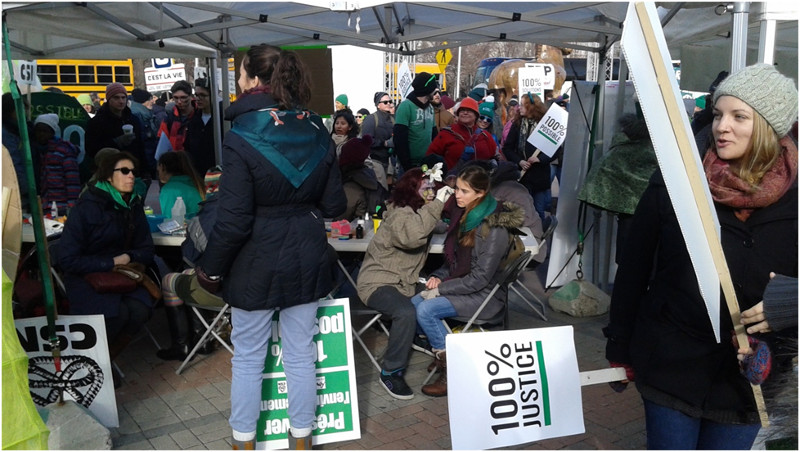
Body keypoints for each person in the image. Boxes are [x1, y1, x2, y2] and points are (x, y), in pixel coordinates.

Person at [604, 63, 798, 450]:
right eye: (719, 113)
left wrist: (794, 300)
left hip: (749, 381)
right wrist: (618, 348)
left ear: (772, 128)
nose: (721, 126)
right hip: (670, 363)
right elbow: (633, 267)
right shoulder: (676, 181)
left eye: (739, 116)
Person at [194, 44, 346, 450]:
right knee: (300, 355)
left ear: (254, 80)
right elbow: (335, 205)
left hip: (255, 258)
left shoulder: (241, 135)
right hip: (307, 251)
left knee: (247, 357)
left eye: (240, 74)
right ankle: (301, 441)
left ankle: (243, 442)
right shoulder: (318, 129)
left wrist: (209, 270)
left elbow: (233, 221)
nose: (239, 81)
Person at [412, 165, 525, 397]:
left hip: (486, 296)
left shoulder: (493, 227)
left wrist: (442, 288)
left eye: (464, 191)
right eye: (457, 189)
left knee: (425, 309)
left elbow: (481, 278)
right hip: (468, 286)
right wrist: (437, 277)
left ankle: (452, 368)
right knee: (414, 302)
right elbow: (455, 262)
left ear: (481, 193)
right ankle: (442, 351)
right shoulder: (469, 215)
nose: (457, 195)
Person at [57, 151, 156, 386]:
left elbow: (146, 249)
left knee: (141, 308)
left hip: (120, 276)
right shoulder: (86, 207)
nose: (131, 176)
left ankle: (105, 359)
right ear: (108, 176)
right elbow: (67, 259)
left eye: (133, 171)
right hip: (86, 277)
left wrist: (127, 257)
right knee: (116, 314)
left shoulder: (132, 205)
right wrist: (110, 262)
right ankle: (96, 364)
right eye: (124, 171)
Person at [356, 167, 452, 399]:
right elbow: (412, 236)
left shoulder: (417, 213)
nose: (431, 192)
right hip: (377, 282)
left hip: (404, 283)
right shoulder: (401, 213)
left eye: (433, 188)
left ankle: (437, 351)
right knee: (405, 311)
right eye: (426, 188)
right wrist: (438, 204)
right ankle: (391, 372)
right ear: (412, 189)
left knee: (437, 295)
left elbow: (436, 225)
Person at [502, 92, 554, 225]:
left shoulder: (545, 124)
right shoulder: (517, 124)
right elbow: (507, 148)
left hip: (539, 176)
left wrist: (540, 159)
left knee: (538, 211)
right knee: (521, 211)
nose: (519, 108)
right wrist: (519, 161)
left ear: (532, 107)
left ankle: (538, 239)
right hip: (522, 176)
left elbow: (554, 150)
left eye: (522, 105)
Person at [85, 82, 146, 175]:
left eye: (123, 97)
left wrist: (145, 171)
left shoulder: (133, 119)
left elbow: (141, 146)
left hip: (132, 170)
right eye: (116, 98)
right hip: (108, 171)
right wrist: (116, 142)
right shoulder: (96, 122)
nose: (121, 101)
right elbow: (91, 149)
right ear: (109, 99)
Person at [425, 97, 496, 173]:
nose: (465, 112)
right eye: (462, 110)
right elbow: (430, 157)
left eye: (469, 110)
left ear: (476, 115)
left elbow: (495, 156)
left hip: (480, 182)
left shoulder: (485, 136)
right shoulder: (446, 133)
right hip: (453, 182)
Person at [31, 114, 81, 215]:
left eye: (45, 131)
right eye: (38, 131)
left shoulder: (64, 151)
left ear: (52, 132)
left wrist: (72, 206)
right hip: (44, 205)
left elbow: (72, 180)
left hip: (62, 206)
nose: (41, 134)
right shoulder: (35, 152)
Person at [394, 72, 438, 172]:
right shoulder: (406, 106)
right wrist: (407, 166)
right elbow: (399, 139)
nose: (436, 92)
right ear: (427, 89)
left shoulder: (430, 107)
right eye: (433, 89)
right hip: (409, 165)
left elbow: (434, 135)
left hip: (427, 163)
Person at [336, 135, 385, 221]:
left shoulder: (350, 188)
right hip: (369, 228)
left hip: (352, 230)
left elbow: (339, 219)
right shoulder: (371, 179)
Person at [2, 92, 37, 211]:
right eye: (22, 109)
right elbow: (14, 163)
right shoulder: (7, 134)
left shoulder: (21, 130)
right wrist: (27, 189)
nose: (26, 113)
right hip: (16, 192)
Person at [184, 78, 220, 176]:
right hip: (199, 174)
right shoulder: (193, 120)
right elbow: (188, 147)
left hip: (220, 172)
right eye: (196, 95)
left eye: (203, 95)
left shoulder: (222, 118)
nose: (198, 99)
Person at [157, 151, 205, 221]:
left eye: (158, 171)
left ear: (162, 167)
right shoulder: (195, 183)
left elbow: (169, 221)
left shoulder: (169, 189)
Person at [361, 91, 395, 184]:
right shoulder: (371, 119)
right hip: (375, 161)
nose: (389, 104)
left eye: (390, 101)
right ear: (378, 105)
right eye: (385, 102)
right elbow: (366, 140)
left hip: (390, 163)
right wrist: (384, 143)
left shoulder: (393, 119)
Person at [158, 80, 196, 152]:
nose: (179, 101)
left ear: (190, 96)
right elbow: (162, 145)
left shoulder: (199, 115)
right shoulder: (168, 119)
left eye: (183, 97)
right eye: (176, 98)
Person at [129, 88, 159, 178]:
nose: (153, 102)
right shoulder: (142, 115)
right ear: (144, 101)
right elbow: (146, 142)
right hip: (147, 161)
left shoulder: (140, 113)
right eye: (150, 99)